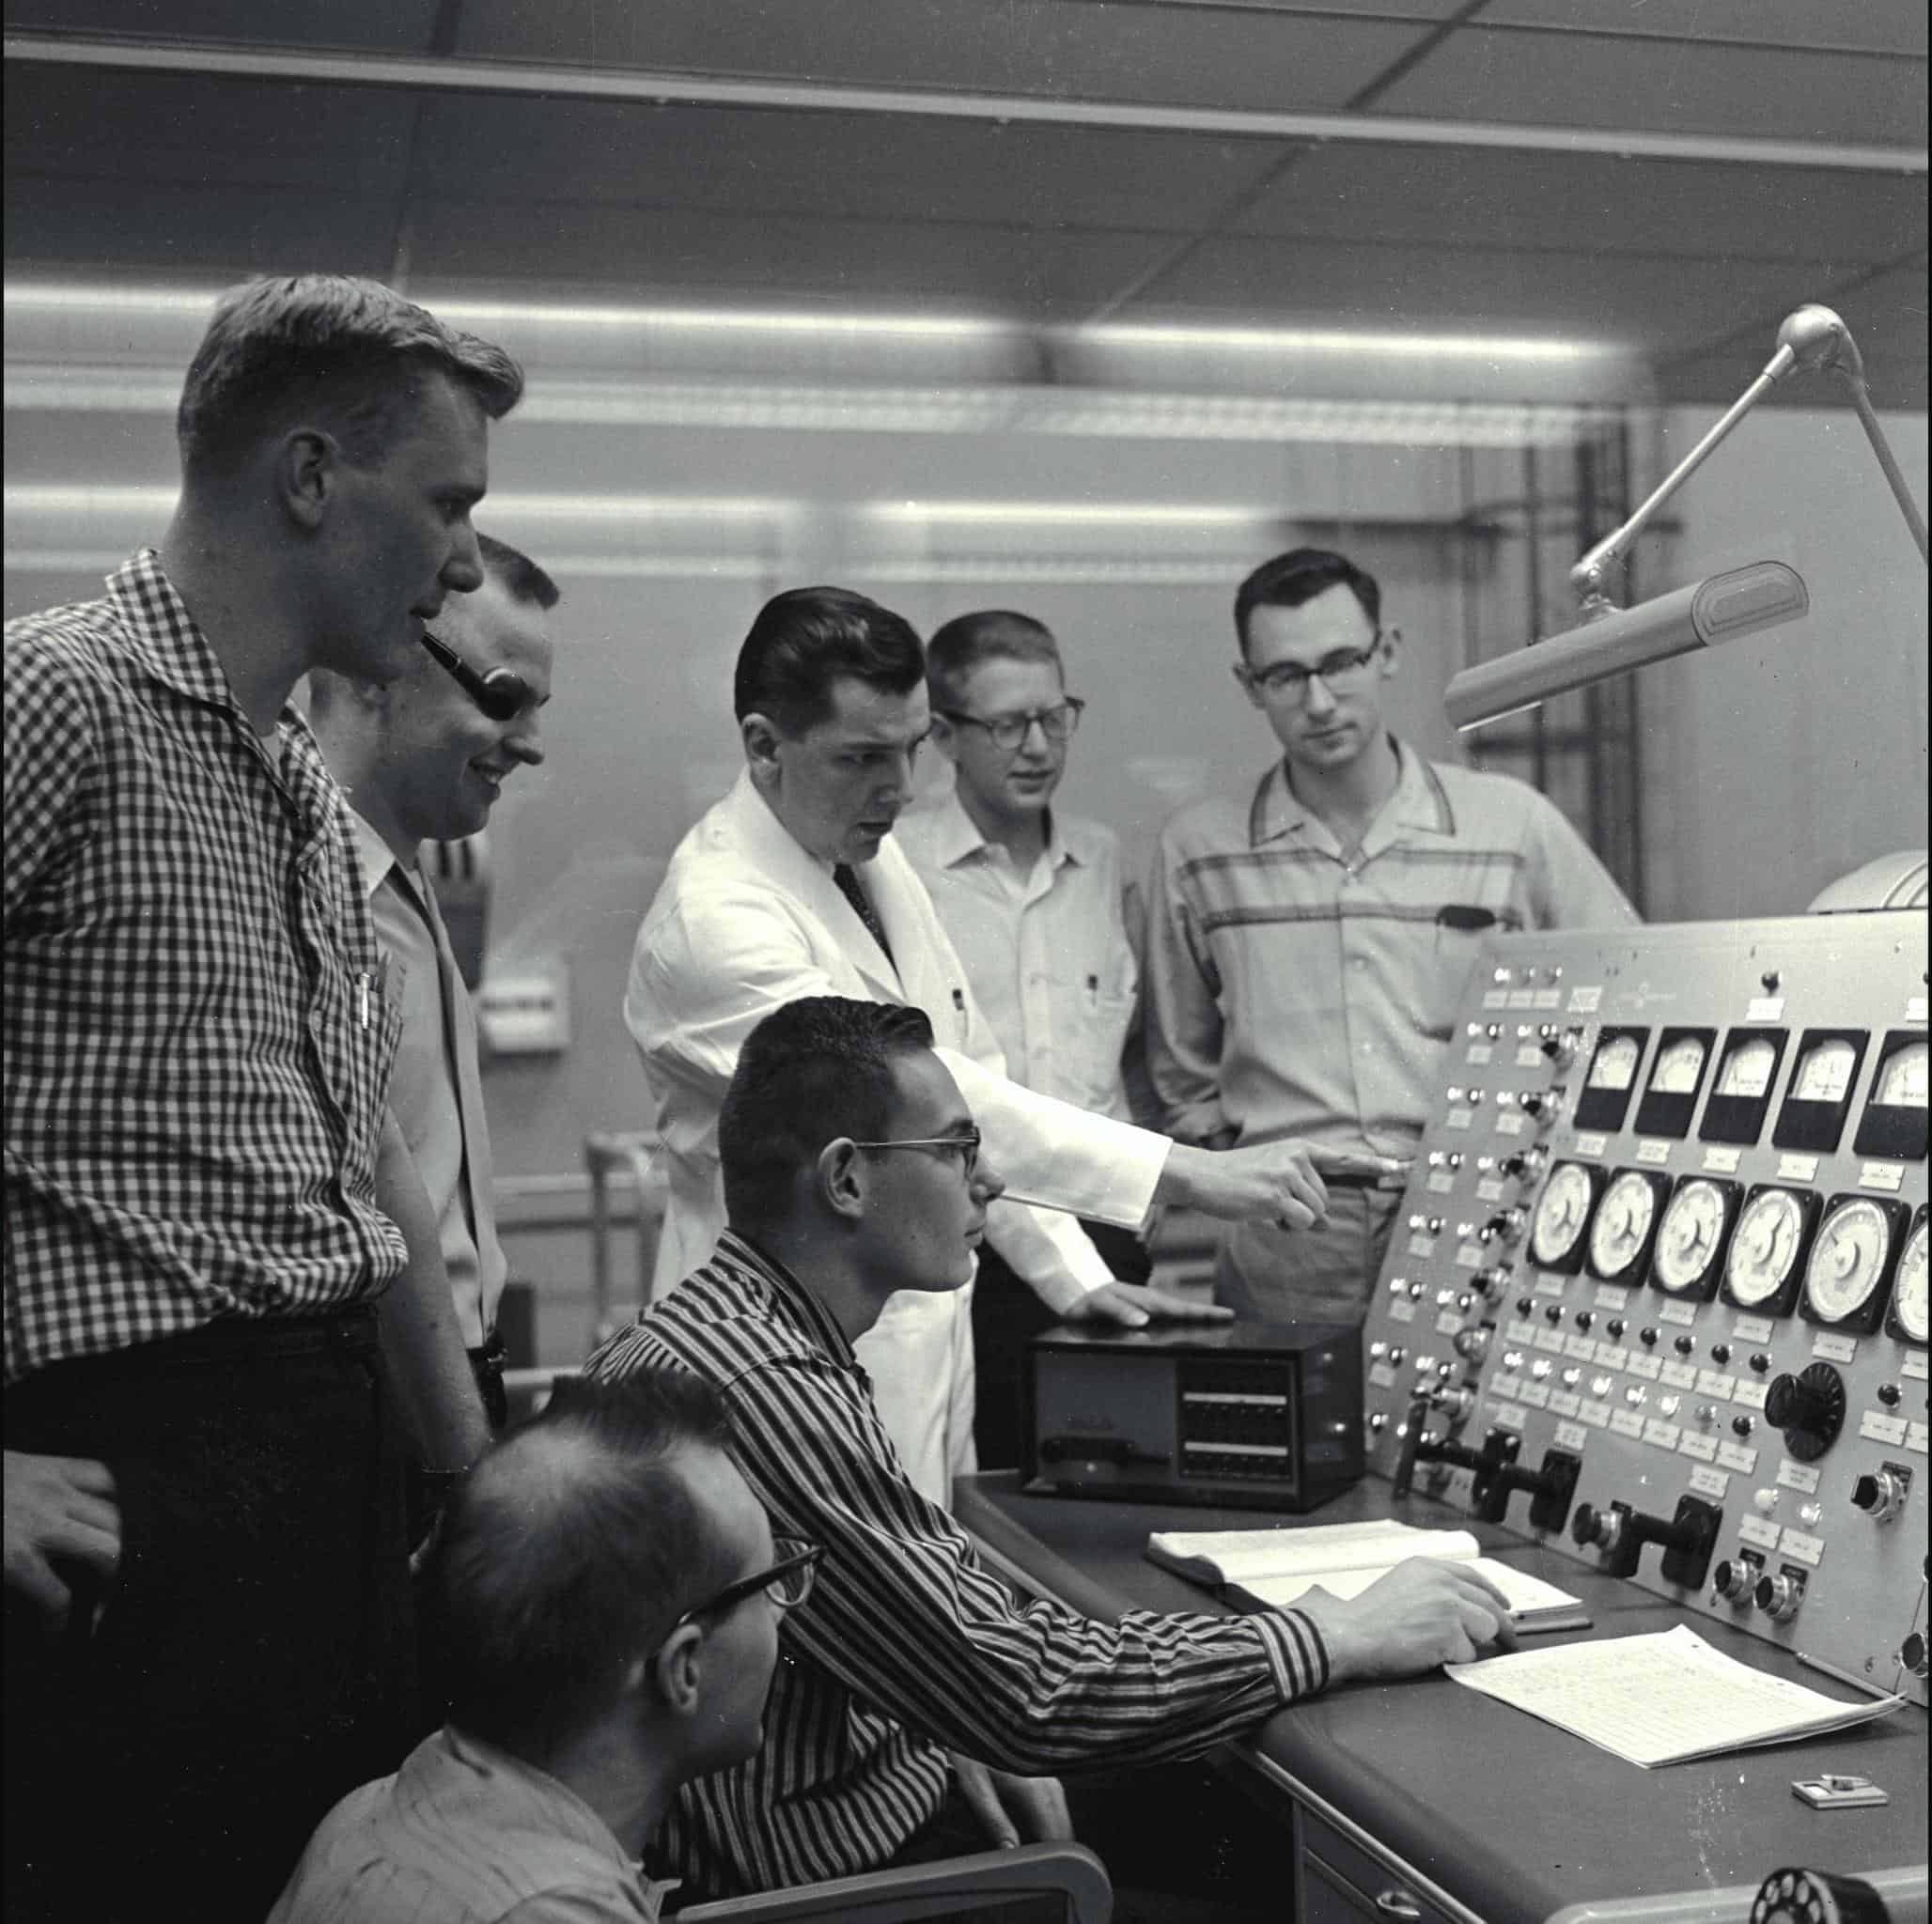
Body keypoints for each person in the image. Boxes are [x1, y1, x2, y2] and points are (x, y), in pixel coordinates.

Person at [2, 273, 522, 1922]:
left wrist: (468, 1487)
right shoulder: (54, 699)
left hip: (320, 1482)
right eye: (446, 503)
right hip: (129, 1488)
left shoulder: (296, 783)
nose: (461, 561)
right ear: (309, 478)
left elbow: (359, 1189)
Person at [584, 996, 1510, 1911]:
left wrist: (938, 1731)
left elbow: (933, 1659)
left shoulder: (707, 1334)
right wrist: (1330, 1634)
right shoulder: (769, 1385)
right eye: (955, 1151)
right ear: (845, 1179)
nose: (986, 1184)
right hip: (835, 1874)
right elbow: (1027, 1688)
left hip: (858, 1792)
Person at [624, 586, 1394, 1505]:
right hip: (782, 1372)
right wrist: (1197, 1174)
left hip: (914, 1342)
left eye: (908, 750)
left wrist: (1074, 1278)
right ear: (762, 745)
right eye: (862, 757)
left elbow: (969, 1069)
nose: (900, 789)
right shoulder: (715, 919)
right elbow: (918, 1101)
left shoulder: (865, 854)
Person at [1144, 547, 1638, 1327]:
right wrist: (1252, 1176)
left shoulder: (1511, 825)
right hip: (1288, 1235)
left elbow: (1629, 990)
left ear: (1389, 652)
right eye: (1286, 675)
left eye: (1342, 662)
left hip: (1482, 1212)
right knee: (1294, 1443)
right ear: (1250, 685)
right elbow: (1181, 1073)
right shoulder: (1199, 850)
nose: (1319, 700)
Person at [269, 1369, 794, 1924]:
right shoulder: (553, 1913)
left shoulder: (363, 1815)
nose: (782, 1609)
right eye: (767, 1589)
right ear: (683, 1667)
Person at [309, 532, 558, 1435]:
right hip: (375, 1400)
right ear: (378, 663)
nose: (530, 745)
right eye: (502, 701)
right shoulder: (295, 889)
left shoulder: (417, 879)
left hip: (452, 1381)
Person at [896, 610, 1158, 1469]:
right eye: (1008, 724)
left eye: (1056, 717)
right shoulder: (897, 872)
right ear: (943, 733)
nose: (1039, 746)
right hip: (973, 1243)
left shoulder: (1101, 860)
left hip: (1106, 1228)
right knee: (995, 1494)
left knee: (1120, 1487)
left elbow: (1126, 1056)